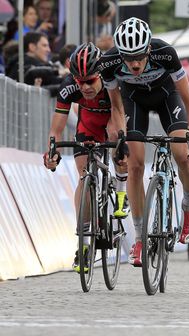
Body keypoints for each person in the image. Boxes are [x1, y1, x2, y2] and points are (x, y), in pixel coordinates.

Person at [98, 17, 189, 266]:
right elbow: (115, 105)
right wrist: (121, 138)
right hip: (134, 101)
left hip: (167, 97)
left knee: (183, 156)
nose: (134, 64)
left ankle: (188, 206)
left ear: (148, 49)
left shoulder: (166, 53)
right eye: (128, 58)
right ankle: (139, 237)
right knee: (134, 166)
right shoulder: (109, 62)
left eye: (139, 57)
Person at [43, 43, 130, 273]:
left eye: (90, 81)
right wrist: (52, 151)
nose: (85, 87)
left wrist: (121, 143)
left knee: (116, 141)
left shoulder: (113, 83)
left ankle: (121, 193)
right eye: (80, 81)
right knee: (84, 175)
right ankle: (82, 246)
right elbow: (56, 129)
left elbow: (120, 117)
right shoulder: (69, 86)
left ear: (100, 75)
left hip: (113, 120)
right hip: (88, 125)